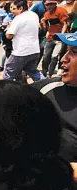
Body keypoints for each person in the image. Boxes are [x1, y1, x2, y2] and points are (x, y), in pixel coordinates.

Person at [32, 32, 77, 178]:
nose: (63, 59)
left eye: (74, 52)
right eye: (67, 51)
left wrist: (54, 168)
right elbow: (2, 97)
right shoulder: (50, 88)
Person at [4, 0, 44, 81]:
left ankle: (6, 93)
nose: (12, 11)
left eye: (14, 9)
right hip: (34, 50)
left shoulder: (18, 18)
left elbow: (9, 35)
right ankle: (46, 85)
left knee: (8, 74)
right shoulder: (34, 15)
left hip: (21, 52)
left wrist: (7, 28)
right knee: (34, 72)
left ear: (21, 8)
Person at [42, 0, 70, 78]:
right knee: (46, 55)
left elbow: (65, 24)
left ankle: (49, 74)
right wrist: (43, 24)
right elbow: (47, 27)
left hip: (59, 37)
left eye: (51, 4)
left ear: (55, 4)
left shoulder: (60, 11)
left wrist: (61, 35)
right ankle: (44, 73)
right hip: (50, 37)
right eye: (48, 5)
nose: (49, 6)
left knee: (54, 56)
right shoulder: (46, 14)